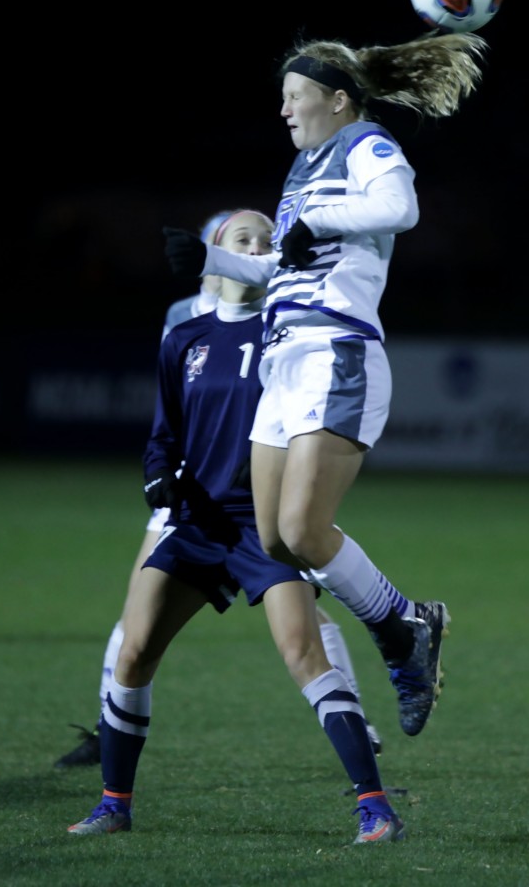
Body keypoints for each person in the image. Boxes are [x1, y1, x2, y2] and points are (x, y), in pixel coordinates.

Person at [163, 33, 486, 736]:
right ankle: (406, 622)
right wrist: (214, 260)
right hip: (285, 359)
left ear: (336, 100)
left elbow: (400, 208)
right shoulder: (304, 167)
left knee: (304, 530)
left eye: (293, 95)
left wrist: (315, 218)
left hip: (333, 352)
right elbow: (286, 263)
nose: (283, 109)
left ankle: (403, 627)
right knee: (277, 541)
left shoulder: (364, 143)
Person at [67, 210, 403, 845]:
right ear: (215, 256)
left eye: (267, 240)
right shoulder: (184, 338)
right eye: (243, 239)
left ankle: (376, 807)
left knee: (304, 654)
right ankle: (114, 805)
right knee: (133, 652)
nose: (258, 247)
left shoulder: (292, 337)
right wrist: (156, 478)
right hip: (197, 522)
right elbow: (162, 438)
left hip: (266, 526)